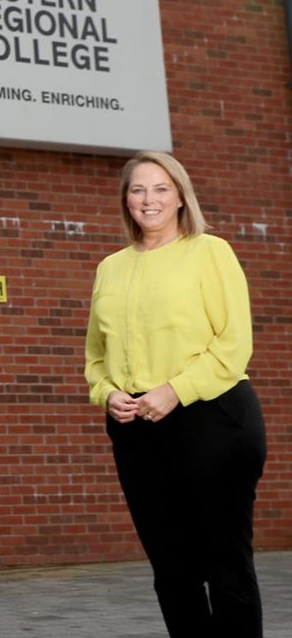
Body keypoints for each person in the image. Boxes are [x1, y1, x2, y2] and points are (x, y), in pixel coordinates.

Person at [85, 151, 267, 637]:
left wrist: (176, 390)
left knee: (224, 563)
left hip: (213, 417)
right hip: (136, 427)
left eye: (161, 188)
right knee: (171, 570)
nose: (149, 199)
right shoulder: (110, 268)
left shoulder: (210, 252)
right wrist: (106, 392)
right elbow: (96, 357)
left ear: (182, 197)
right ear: (126, 200)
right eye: (138, 189)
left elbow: (233, 345)